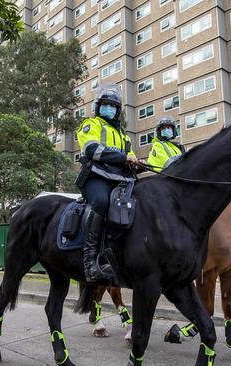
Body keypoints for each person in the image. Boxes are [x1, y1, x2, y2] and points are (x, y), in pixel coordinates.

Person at [76, 84, 137, 282]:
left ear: (118, 110)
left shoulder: (124, 136)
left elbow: (131, 158)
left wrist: (139, 164)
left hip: (120, 180)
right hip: (96, 177)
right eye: (106, 105)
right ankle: (90, 263)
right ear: (98, 106)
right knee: (101, 202)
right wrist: (123, 157)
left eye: (113, 105)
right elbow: (92, 150)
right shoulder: (91, 125)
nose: (109, 108)